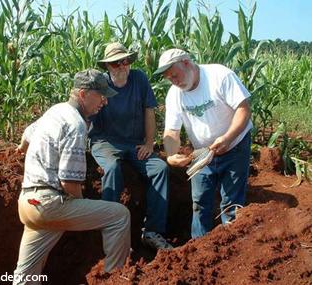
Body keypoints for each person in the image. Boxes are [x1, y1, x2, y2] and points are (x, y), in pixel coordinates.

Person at [13, 69, 131, 284]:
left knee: (26, 275)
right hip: (51, 204)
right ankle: (115, 278)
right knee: (119, 215)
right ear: (84, 94)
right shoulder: (76, 125)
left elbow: (28, 134)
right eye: (101, 95)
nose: (104, 102)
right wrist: (82, 210)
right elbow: (69, 182)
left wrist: (21, 148)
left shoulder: (55, 111)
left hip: (29, 204)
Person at [154, 48, 252, 238]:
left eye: (175, 75)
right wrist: (171, 154)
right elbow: (171, 131)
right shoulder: (175, 94)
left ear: (187, 62)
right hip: (203, 153)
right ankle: (199, 248)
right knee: (199, 202)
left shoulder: (220, 76)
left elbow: (243, 109)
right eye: (169, 79)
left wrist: (228, 138)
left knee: (231, 203)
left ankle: (233, 248)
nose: (174, 81)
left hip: (234, 146)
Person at [89, 42, 172, 250]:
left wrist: (149, 142)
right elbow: (86, 111)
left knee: (160, 169)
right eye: (116, 63)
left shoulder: (139, 79)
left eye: (125, 61)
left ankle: (153, 231)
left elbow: (149, 110)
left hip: (134, 143)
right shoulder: (101, 83)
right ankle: (110, 231)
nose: (121, 66)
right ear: (107, 66)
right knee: (112, 168)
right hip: (105, 141)